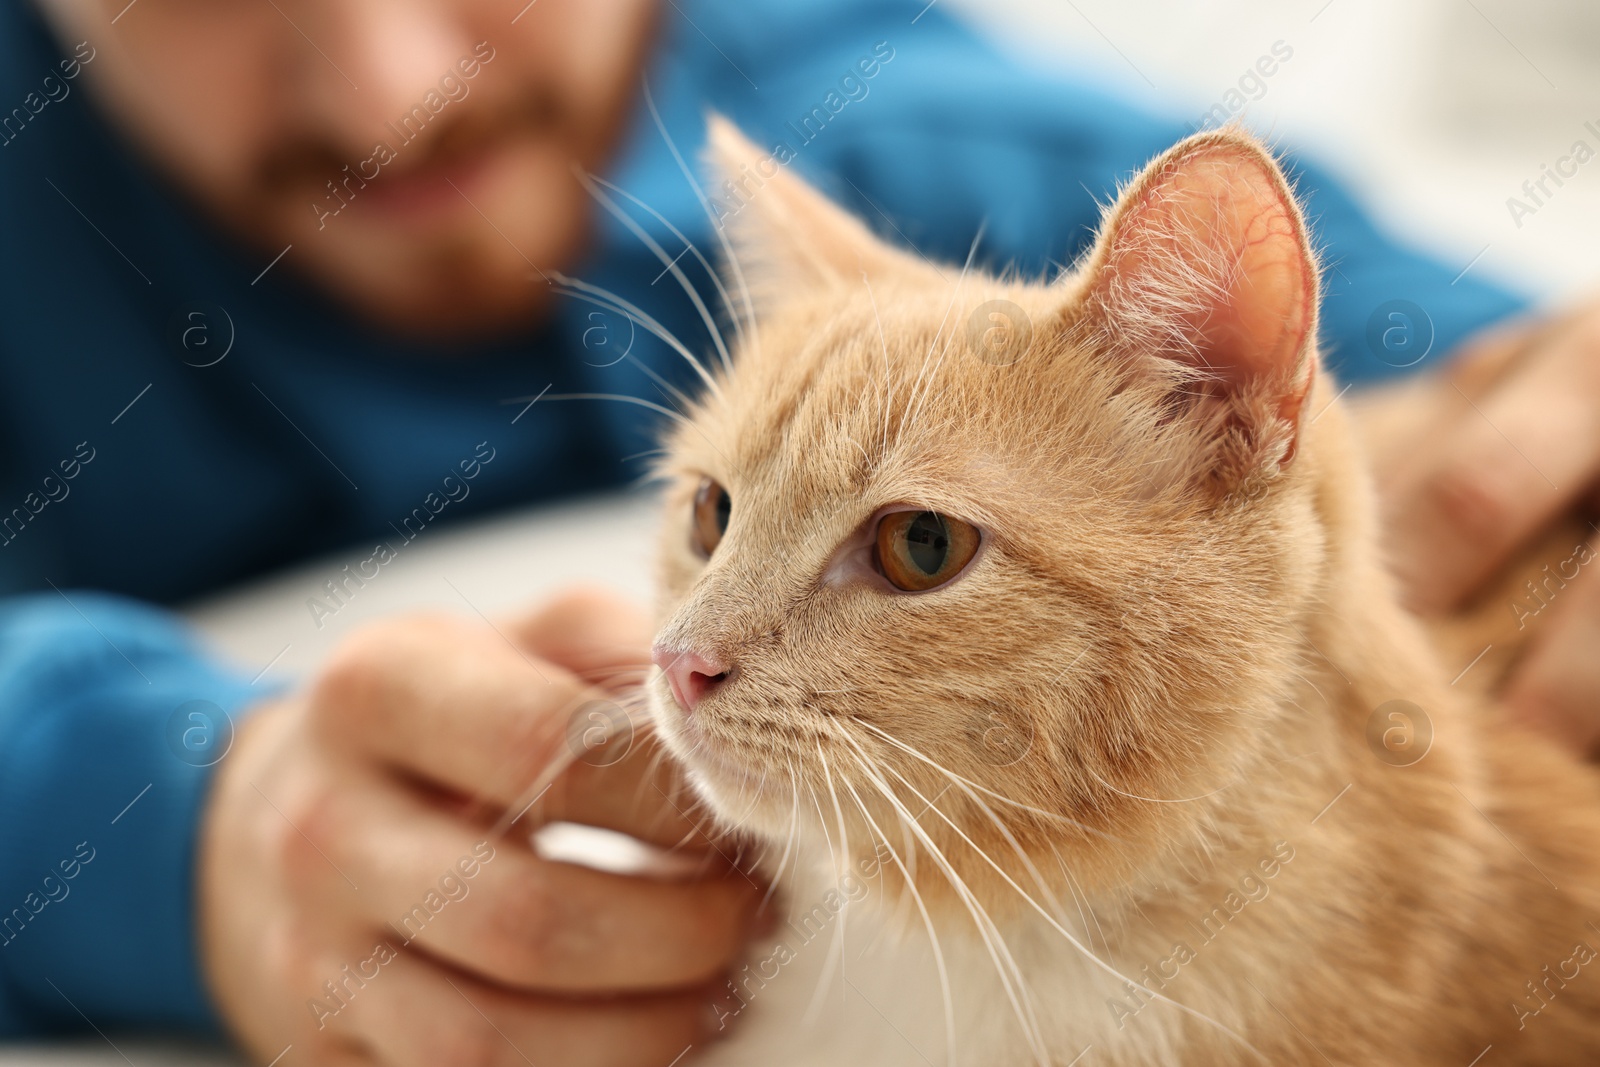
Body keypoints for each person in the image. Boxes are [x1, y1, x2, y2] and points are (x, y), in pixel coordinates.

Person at [0, 0, 1593, 1063]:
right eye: (711, 515)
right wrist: (169, 823)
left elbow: (1498, 373)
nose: (394, 93)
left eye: (909, 547)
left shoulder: (927, 131)